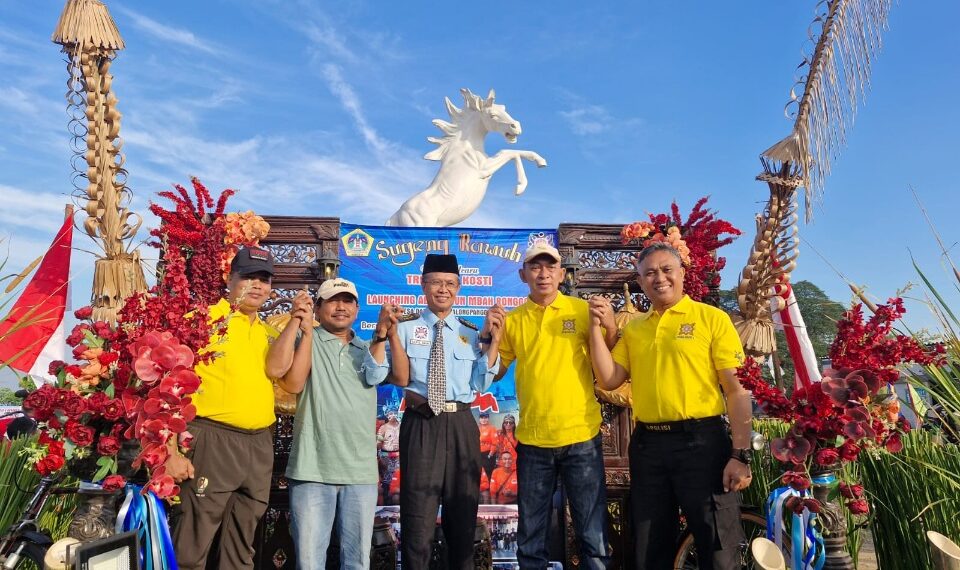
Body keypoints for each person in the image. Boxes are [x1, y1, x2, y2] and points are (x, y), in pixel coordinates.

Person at [589, 242, 753, 570]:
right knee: (650, 545)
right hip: (649, 445)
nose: (659, 278)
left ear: (682, 273)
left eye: (666, 270)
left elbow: (737, 391)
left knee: (717, 544)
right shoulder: (634, 328)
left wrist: (740, 454)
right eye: (649, 273)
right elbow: (609, 379)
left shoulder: (711, 318)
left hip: (702, 442)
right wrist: (596, 328)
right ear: (640, 281)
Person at [373, 253, 503, 570]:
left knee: (462, 521)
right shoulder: (402, 328)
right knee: (418, 521)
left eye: (449, 283)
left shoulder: (470, 332)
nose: (442, 289)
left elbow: (480, 383)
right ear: (423, 285)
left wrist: (493, 342)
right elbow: (387, 374)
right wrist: (383, 331)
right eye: (435, 283)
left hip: (461, 424)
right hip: (421, 423)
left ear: (458, 287)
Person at [492, 242, 618, 569]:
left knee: (593, 535)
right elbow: (496, 372)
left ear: (562, 274)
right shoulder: (514, 320)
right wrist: (491, 339)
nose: (543, 274)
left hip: (581, 437)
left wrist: (612, 327)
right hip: (534, 440)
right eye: (535, 267)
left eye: (550, 267)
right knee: (531, 538)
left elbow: (610, 364)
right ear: (523, 274)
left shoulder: (582, 310)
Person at [166, 246, 285, 570]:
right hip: (212, 440)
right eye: (249, 277)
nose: (257, 286)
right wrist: (171, 452)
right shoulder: (201, 323)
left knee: (241, 548)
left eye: (264, 279)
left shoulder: (269, 334)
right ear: (229, 279)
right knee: (192, 544)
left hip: (259, 443)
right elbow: (168, 388)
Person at [265, 277, 392, 570]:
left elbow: (379, 376)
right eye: (332, 300)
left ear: (357, 309)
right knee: (309, 562)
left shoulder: (367, 349)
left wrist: (383, 334)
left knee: (357, 562)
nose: (340, 307)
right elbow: (293, 383)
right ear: (319, 308)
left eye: (347, 301)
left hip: (359, 472)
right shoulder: (304, 339)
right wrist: (302, 324)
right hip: (312, 468)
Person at [377, 408, 401, 501]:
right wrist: (380, 456)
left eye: (395, 413)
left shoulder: (401, 426)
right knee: (386, 480)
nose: (393, 415)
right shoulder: (383, 428)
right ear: (387, 415)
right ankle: (386, 501)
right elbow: (378, 443)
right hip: (386, 456)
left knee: (397, 478)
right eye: (391, 413)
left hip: (399, 456)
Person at [478, 411, 499, 476]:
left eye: (485, 417)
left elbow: (495, 443)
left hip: (488, 454)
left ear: (488, 418)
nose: (484, 419)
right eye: (482, 417)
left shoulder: (492, 428)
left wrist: (490, 454)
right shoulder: (478, 428)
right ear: (479, 419)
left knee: (489, 473)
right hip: (479, 455)